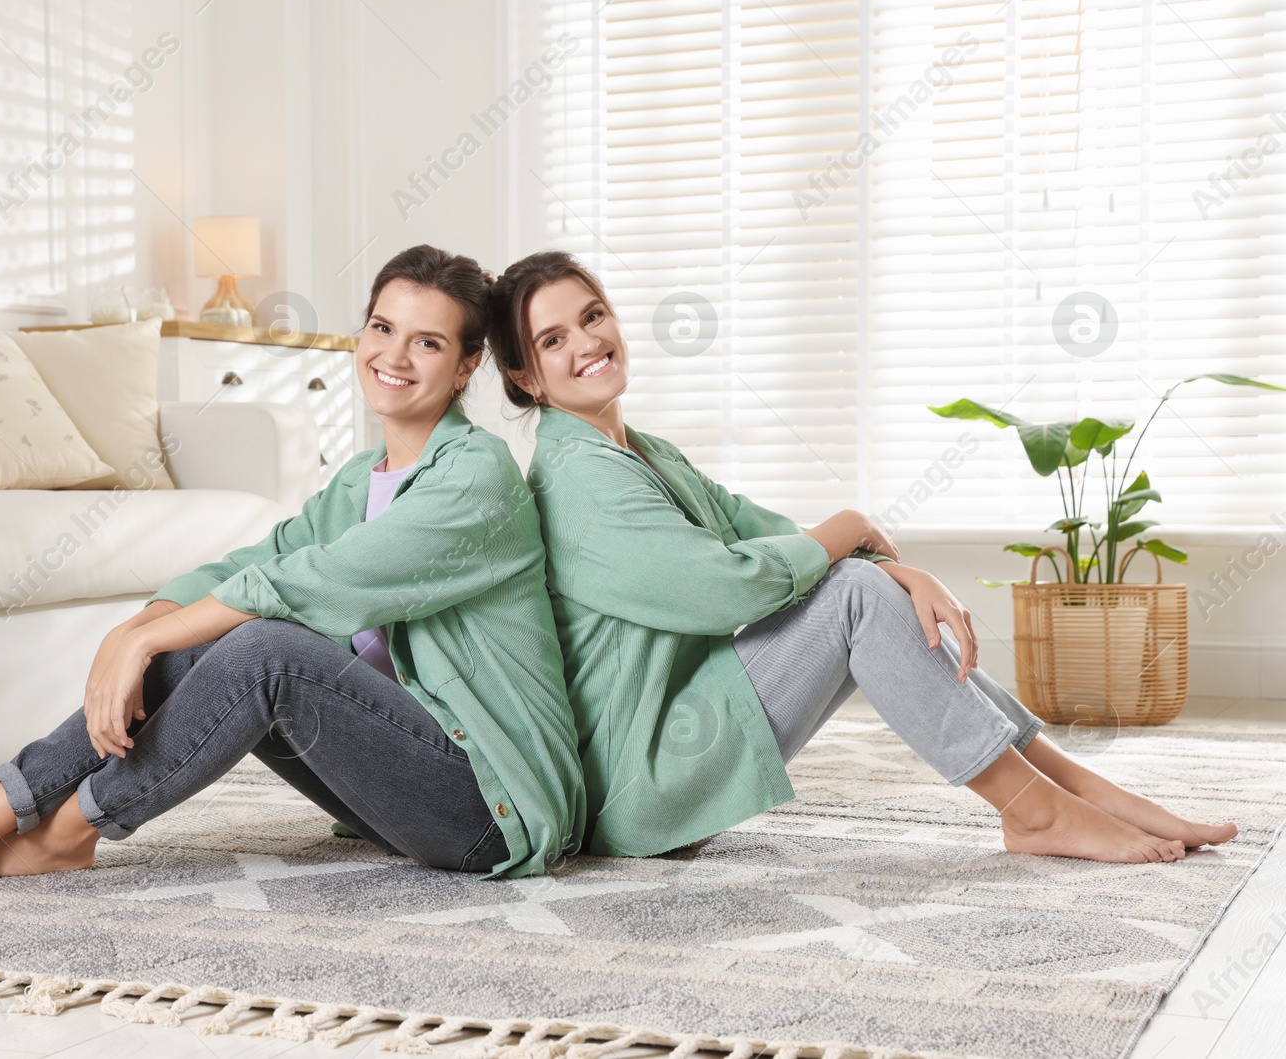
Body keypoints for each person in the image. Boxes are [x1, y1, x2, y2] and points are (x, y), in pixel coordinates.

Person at [0, 245, 586, 886]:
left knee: (267, 645)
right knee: (219, 626)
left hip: (493, 807)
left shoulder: (475, 476)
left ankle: (64, 832)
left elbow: (306, 585)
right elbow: (259, 557)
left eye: (428, 341)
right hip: (396, 800)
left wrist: (144, 643)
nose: (393, 355)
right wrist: (139, 623)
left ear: (466, 364)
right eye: (381, 327)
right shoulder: (358, 480)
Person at [484, 249, 1237, 865]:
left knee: (854, 584)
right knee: (850, 595)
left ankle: (1076, 787)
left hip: (685, 734)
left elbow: (761, 530)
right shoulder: (578, 477)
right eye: (553, 340)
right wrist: (855, 528)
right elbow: (724, 589)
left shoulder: (641, 450)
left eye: (593, 315)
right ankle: (1035, 810)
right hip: (644, 779)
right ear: (526, 377)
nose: (586, 343)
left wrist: (893, 565)